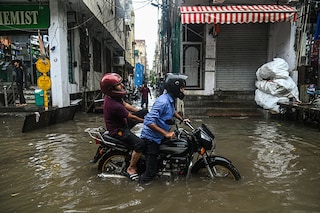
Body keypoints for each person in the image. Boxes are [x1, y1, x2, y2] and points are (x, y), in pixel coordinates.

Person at [139, 73, 189, 184]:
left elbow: (172, 111)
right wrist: (166, 134)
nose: (183, 91)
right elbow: (148, 121)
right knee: (150, 173)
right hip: (151, 139)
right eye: (181, 88)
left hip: (159, 136)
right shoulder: (163, 102)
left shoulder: (170, 99)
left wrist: (182, 119)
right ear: (175, 88)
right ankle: (140, 187)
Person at [100, 73, 147, 181]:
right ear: (110, 88)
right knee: (140, 144)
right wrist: (146, 121)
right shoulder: (114, 105)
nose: (121, 86)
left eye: (120, 83)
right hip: (119, 130)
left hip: (123, 122)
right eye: (118, 84)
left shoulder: (113, 97)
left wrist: (139, 111)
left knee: (144, 111)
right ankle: (131, 168)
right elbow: (131, 117)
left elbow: (125, 105)